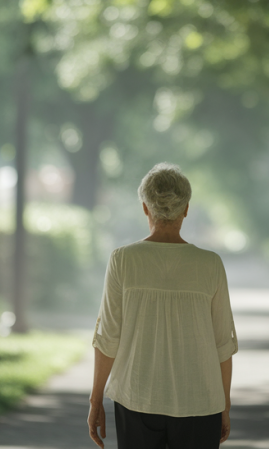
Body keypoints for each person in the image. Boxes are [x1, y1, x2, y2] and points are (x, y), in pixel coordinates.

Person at [88, 163, 238, 449]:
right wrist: (225, 405)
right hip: (201, 402)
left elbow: (108, 338)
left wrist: (96, 400)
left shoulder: (123, 260)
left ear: (146, 208)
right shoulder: (210, 265)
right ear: (186, 209)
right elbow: (223, 345)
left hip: (136, 398)